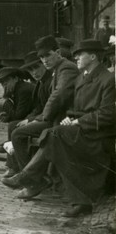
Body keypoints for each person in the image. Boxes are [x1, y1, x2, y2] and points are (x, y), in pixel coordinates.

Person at [2, 39, 114, 217]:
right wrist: (70, 118)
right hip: (81, 130)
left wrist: (77, 121)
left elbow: (108, 114)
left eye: (80, 54)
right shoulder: (82, 78)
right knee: (53, 138)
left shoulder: (108, 80)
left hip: (98, 134)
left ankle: (28, 177)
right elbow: (74, 108)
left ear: (93, 56)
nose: (75, 57)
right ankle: (79, 201)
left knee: (52, 136)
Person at [6, 35, 77, 175]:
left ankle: (30, 177)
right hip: (57, 118)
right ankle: (25, 174)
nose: (45, 60)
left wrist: (41, 118)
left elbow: (58, 94)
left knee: (17, 134)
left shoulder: (66, 68)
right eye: (42, 57)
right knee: (17, 131)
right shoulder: (58, 69)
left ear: (58, 52)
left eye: (48, 55)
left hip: (61, 119)